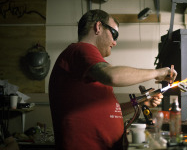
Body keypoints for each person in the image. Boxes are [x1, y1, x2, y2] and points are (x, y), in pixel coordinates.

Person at [49, 9, 177, 150]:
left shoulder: (87, 68)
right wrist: (156, 72)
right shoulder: (82, 49)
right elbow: (113, 76)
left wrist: (141, 102)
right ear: (98, 27)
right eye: (114, 34)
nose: (115, 43)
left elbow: (110, 111)